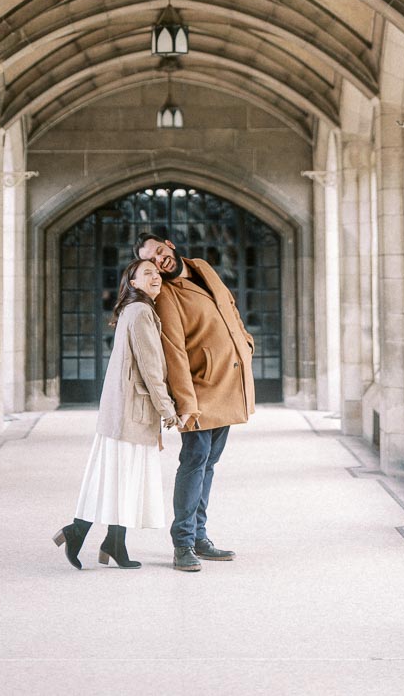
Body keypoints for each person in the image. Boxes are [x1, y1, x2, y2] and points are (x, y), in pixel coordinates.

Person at [136, 232, 255, 573]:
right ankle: (183, 543)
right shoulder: (167, 296)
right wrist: (185, 403)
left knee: (209, 463)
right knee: (194, 463)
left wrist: (245, 344)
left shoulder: (201, 267)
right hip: (200, 392)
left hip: (229, 383)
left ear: (170, 245)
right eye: (152, 261)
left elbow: (229, 305)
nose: (160, 261)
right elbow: (173, 350)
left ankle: (200, 537)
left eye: (160, 252)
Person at [53, 258, 180, 570]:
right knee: (119, 476)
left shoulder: (135, 309)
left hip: (123, 409)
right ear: (132, 283)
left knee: (121, 476)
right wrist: (168, 410)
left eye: (157, 273)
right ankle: (77, 531)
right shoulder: (140, 312)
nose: (155, 277)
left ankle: (113, 543)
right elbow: (151, 368)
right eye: (146, 273)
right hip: (130, 411)